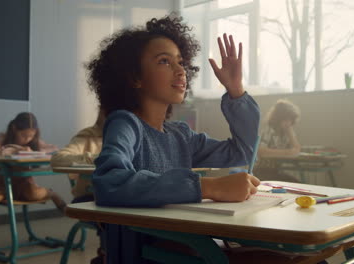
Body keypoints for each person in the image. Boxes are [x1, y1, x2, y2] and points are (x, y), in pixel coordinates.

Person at [86, 14, 260, 263]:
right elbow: (108, 182)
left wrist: (235, 90)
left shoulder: (180, 135)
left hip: (186, 243)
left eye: (180, 62)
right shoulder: (126, 123)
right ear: (135, 77)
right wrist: (209, 187)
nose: (180, 71)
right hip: (146, 254)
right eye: (165, 61)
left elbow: (243, 151)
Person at [0, 112, 66, 258]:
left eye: (31, 136)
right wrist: (12, 149)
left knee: (34, 194)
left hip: (24, 183)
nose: (27, 139)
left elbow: (55, 149)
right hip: (1, 183)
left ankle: (52, 194)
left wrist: (35, 151)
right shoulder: (3, 138)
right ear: (14, 128)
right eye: (24, 135)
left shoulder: (33, 142)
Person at [51, 110, 105, 203]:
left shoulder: (134, 137)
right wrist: (98, 159)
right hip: (91, 196)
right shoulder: (89, 136)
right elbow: (57, 159)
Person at [254, 99, 301, 182]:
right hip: (262, 171)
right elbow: (261, 151)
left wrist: (290, 133)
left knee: (296, 183)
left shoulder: (285, 133)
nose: (289, 123)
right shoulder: (269, 130)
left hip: (276, 171)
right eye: (286, 119)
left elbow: (296, 150)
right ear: (278, 118)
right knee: (292, 183)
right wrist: (287, 153)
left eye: (290, 120)